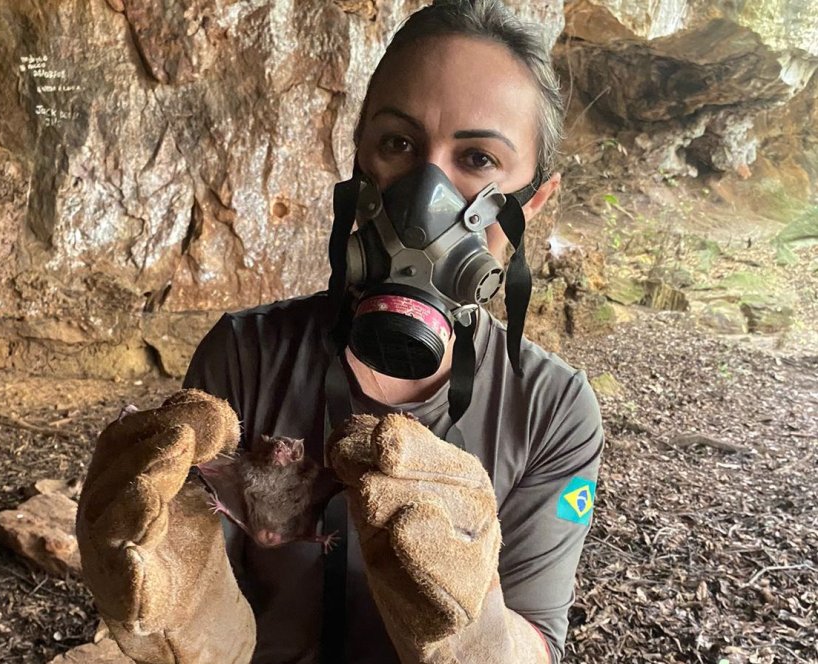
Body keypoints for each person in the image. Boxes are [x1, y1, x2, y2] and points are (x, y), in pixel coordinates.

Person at [76, 1, 604, 663]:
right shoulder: (245, 358)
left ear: (534, 202)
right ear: (359, 162)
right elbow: (199, 580)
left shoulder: (552, 410)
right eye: (399, 144)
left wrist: (473, 633)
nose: (425, 197)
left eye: (477, 157)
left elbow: (536, 642)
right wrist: (179, 604)